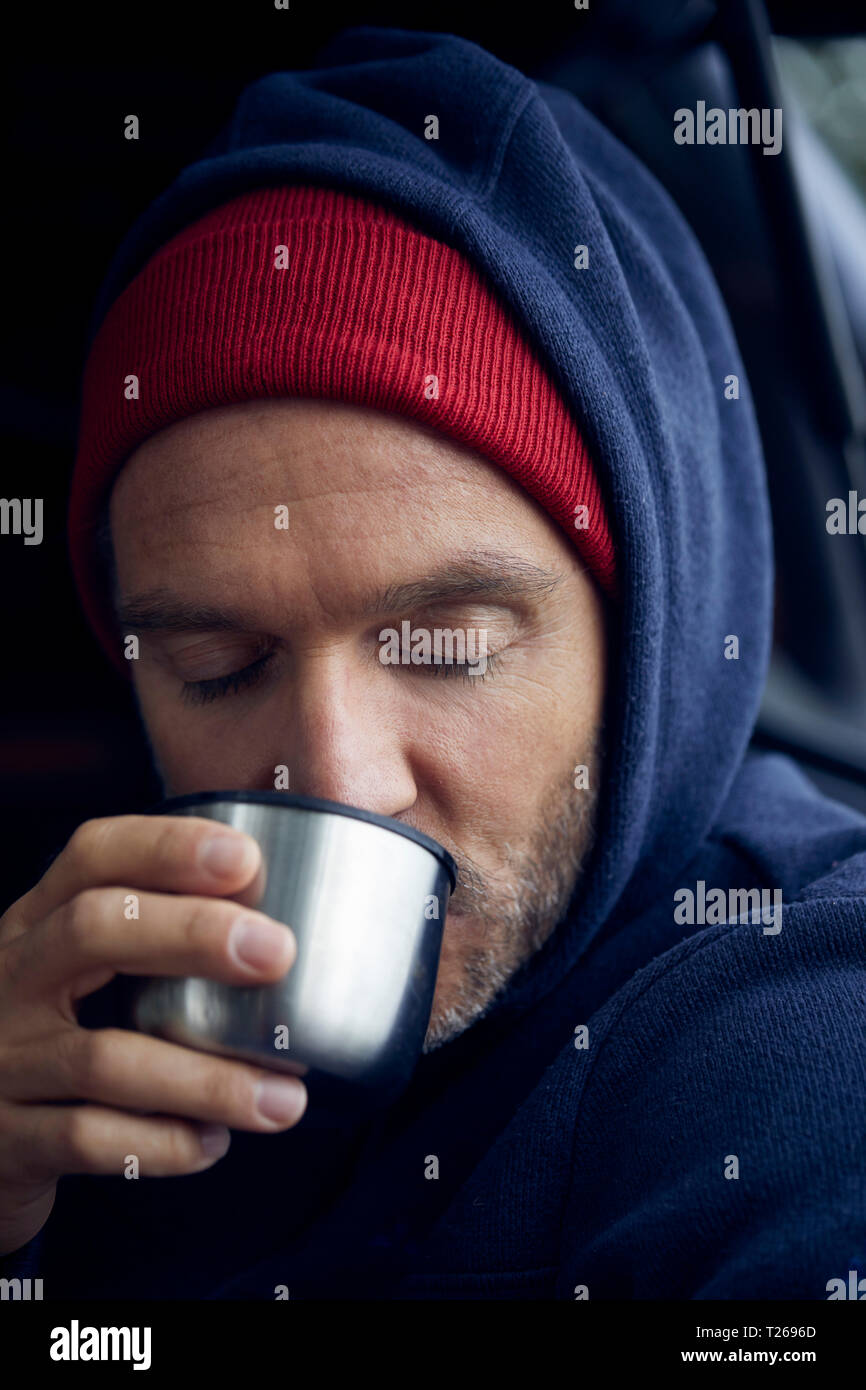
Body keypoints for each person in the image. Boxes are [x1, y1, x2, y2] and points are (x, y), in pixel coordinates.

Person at [1, 25, 864, 1301]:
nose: (338, 779)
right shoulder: (73, 1034)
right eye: (218, 666)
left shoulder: (786, 1020)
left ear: (651, 637)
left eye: (445, 648)